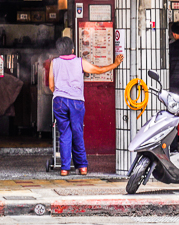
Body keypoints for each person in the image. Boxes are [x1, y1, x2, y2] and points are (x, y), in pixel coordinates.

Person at [47, 36, 123, 176]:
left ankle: (64, 169)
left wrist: (60, 94)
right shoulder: (79, 62)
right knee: (77, 132)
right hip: (76, 101)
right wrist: (115, 64)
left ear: (59, 50)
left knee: (64, 133)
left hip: (59, 101)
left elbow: (51, 85)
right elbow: (98, 70)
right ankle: (82, 167)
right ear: (72, 49)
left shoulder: (54, 62)